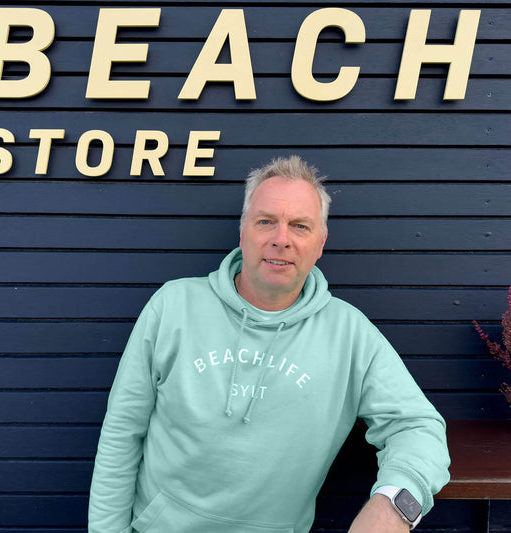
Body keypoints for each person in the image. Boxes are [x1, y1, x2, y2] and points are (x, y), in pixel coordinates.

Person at [88, 156, 450, 533]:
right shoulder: (173, 306)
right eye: (265, 222)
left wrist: (393, 505)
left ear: (320, 243)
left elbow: (417, 426)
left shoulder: (349, 334)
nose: (281, 239)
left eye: (300, 226)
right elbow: (122, 433)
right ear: (242, 230)